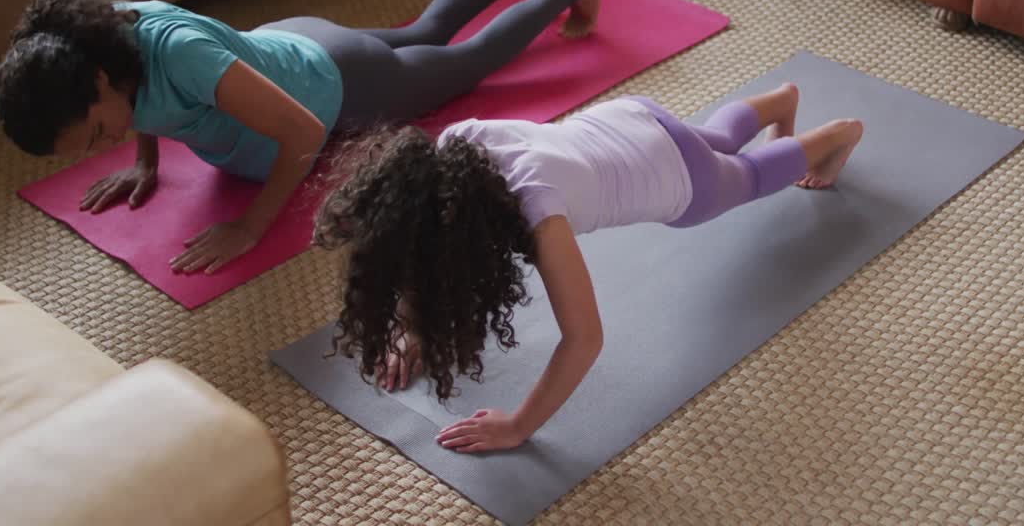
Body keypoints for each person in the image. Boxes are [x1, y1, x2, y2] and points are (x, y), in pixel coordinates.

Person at [0, 0, 604, 274]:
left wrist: (250, 226)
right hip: (287, 48)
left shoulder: (179, 56)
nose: (104, 145)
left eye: (100, 133)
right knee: (422, 32)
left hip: (338, 82)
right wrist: (145, 162)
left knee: (466, 62)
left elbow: (305, 132)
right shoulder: (104, 52)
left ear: (101, 79)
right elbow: (136, 104)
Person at [313, 83, 863, 453]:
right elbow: (423, 260)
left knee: (743, 178)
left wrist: (518, 425)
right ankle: (779, 100)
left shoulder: (538, 211)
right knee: (712, 140)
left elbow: (585, 339)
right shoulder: (455, 147)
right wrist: (412, 331)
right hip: (628, 118)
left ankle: (833, 137)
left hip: (674, 180)